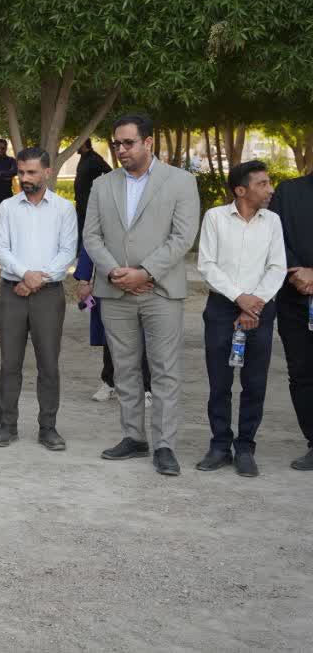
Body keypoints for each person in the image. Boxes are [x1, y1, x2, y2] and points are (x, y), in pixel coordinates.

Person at [83, 113, 200, 476]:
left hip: (160, 291)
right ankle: (133, 437)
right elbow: (91, 236)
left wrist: (145, 272)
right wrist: (116, 273)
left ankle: (164, 445)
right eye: (116, 143)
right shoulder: (102, 184)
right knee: (124, 368)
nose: (120, 149)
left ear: (148, 142)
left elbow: (183, 237)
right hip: (115, 291)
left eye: (128, 143)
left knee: (165, 370)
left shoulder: (180, 181)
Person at [195, 161, 286, 477]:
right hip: (221, 308)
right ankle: (220, 445)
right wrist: (239, 298)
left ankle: (245, 447)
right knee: (219, 382)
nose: (270, 189)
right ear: (240, 190)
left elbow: (277, 266)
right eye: (263, 184)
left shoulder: (273, 221)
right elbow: (207, 265)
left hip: (261, 308)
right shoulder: (215, 217)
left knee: (255, 383)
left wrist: (253, 305)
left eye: (269, 183)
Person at [0, 147, 77, 451]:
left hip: (48, 295)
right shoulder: (7, 207)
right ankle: (7, 426)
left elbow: (67, 252)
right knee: (9, 363)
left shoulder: (64, 209)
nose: (24, 178)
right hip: (12, 293)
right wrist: (26, 274)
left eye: (31, 172)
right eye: (21, 172)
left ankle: (48, 428)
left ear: (47, 173)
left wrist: (38, 279)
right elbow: (0, 249)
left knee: (48, 364)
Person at [269, 165, 313, 471]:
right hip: (294, 297)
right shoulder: (288, 192)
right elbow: (273, 238)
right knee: (302, 373)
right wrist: (299, 272)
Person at [75, 245, 152, 402]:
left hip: (143, 279)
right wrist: (84, 281)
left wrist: (145, 276)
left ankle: (145, 387)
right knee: (110, 334)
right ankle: (110, 381)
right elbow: (90, 244)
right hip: (108, 279)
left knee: (142, 335)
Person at [73, 138, 112, 251]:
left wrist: (100, 188)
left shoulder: (95, 158)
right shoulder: (83, 157)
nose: (76, 147)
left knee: (89, 229)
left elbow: (109, 172)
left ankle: (88, 252)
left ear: (84, 144)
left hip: (89, 201)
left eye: (79, 144)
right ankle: (79, 252)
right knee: (79, 228)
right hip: (80, 201)